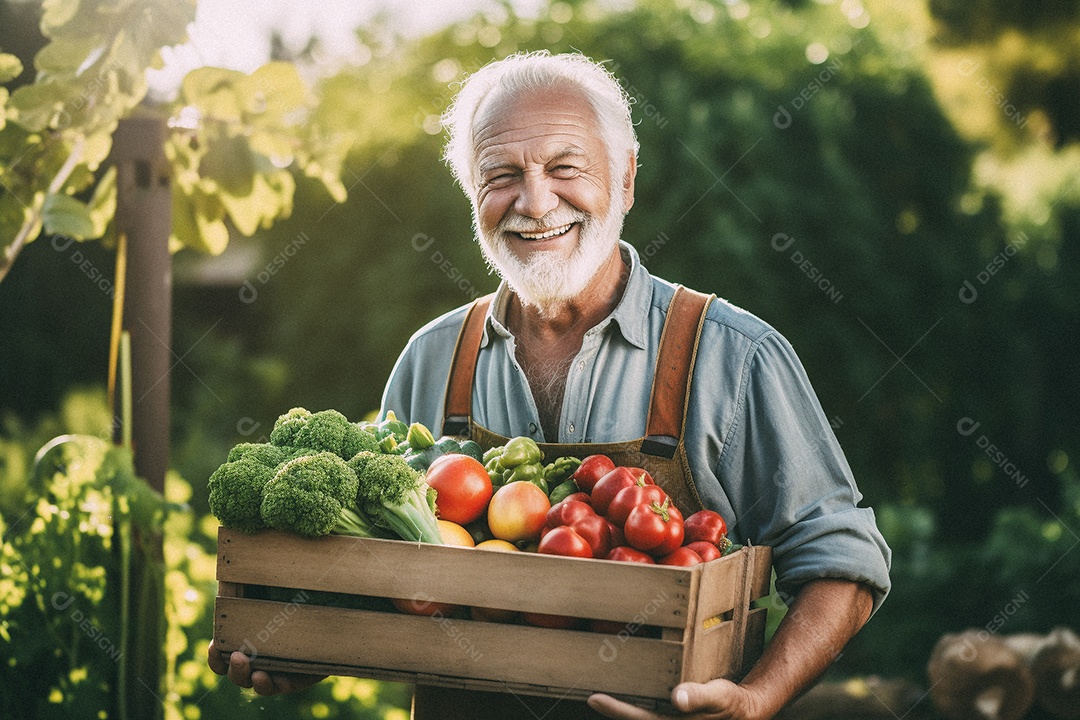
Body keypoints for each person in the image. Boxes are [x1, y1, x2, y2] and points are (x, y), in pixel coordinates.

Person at [209, 51, 891, 719]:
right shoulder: (433, 358)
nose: (535, 203)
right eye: (501, 174)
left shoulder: (733, 356)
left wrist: (754, 701)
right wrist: (300, 646)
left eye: (565, 168)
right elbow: (385, 583)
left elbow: (842, 562)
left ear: (625, 180)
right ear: (472, 195)